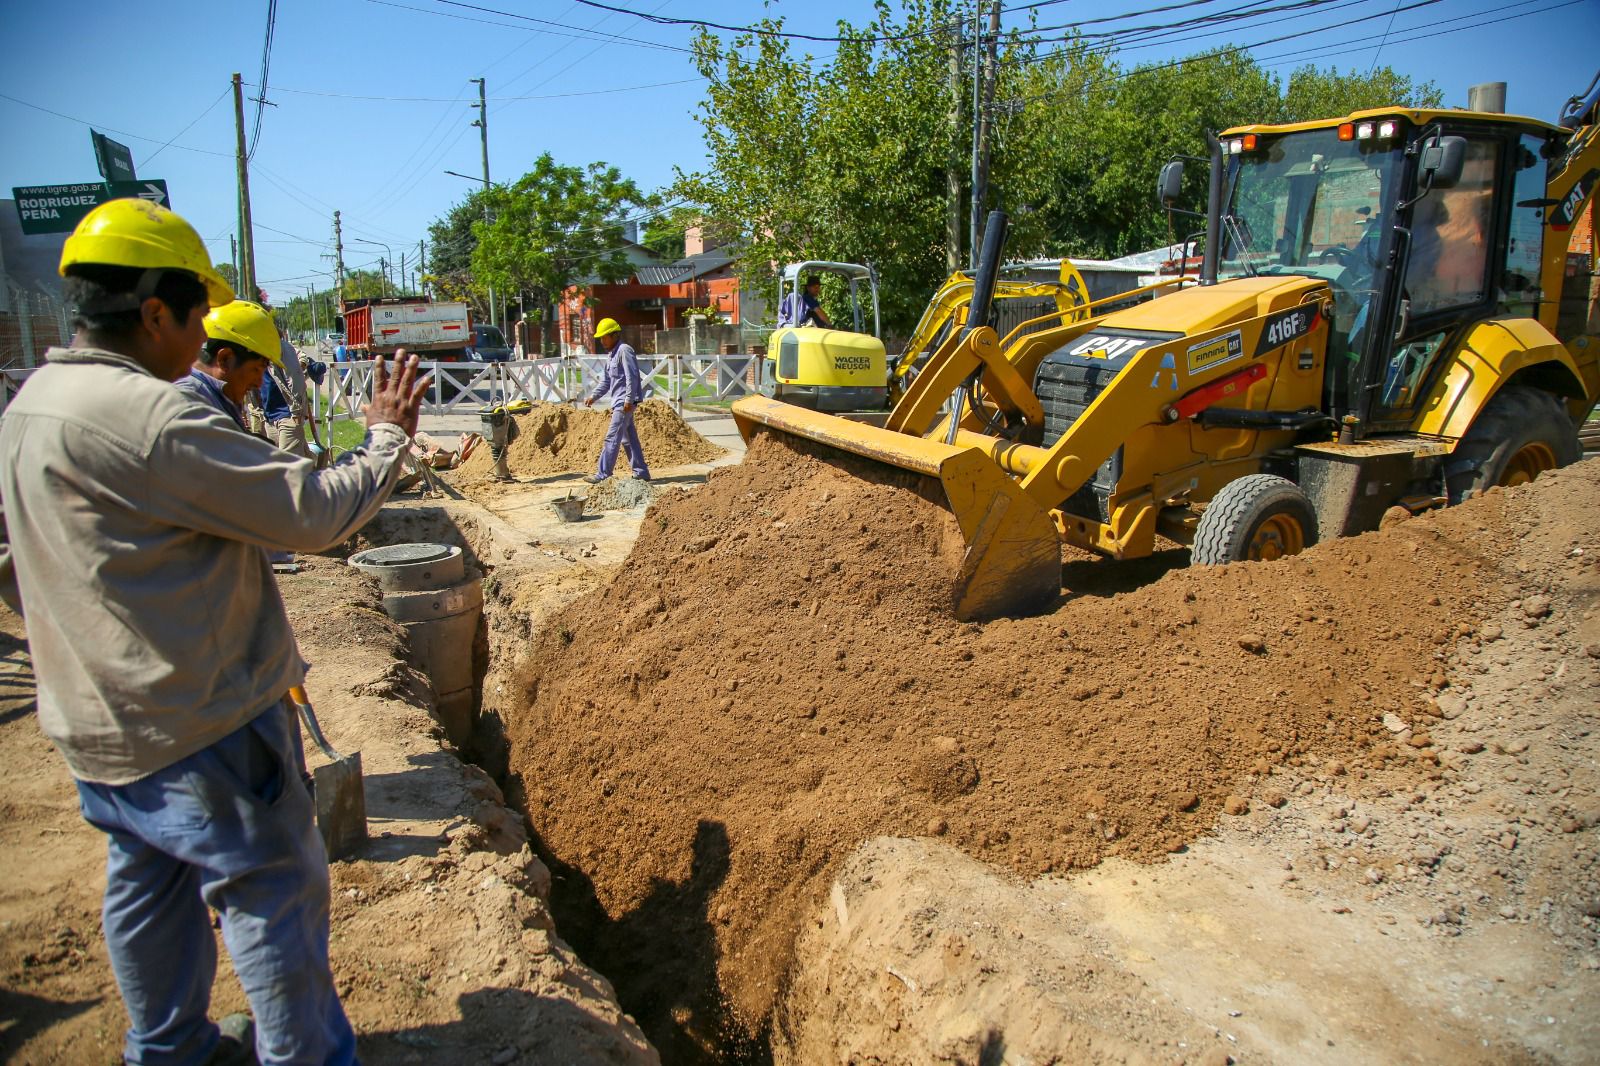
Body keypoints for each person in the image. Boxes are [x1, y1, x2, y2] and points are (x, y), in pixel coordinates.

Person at [0, 198, 430, 1066]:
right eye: (197, 314)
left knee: (147, 887)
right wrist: (385, 438)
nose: (203, 337)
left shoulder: (30, 406)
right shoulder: (152, 419)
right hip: (199, 724)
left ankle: (170, 1050)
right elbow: (311, 516)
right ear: (152, 310)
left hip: (98, 728)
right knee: (271, 890)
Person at [176, 299, 282, 433]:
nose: (259, 383)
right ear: (225, 359)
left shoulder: (215, 397)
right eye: (256, 369)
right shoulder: (191, 405)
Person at [582, 317, 650, 484]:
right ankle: (641, 472)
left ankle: (603, 473)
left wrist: (629, 398)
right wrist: (594, 396)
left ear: (614, 335)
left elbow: (632, 376)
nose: (602, 341)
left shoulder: (624, 350)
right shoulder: (611, 355)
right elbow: (606, 381)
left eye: (604, 337)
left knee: (612, 437)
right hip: (619, 402)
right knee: (629, 438)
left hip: (624, 403)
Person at [260, 332, 328, 460]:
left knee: (287, 466)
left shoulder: (280, 348)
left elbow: (295, 378)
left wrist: (297, 413)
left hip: (287, 415)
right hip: (270, 416)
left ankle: (318, 473)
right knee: (288, 460)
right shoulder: (254, 351)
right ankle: (319, 471)